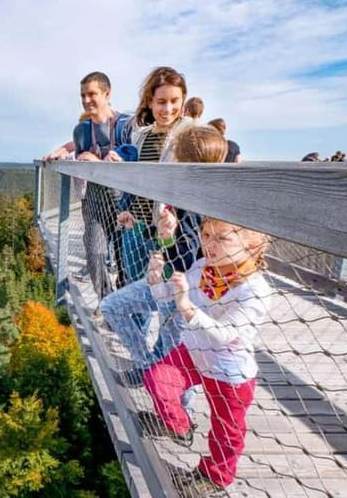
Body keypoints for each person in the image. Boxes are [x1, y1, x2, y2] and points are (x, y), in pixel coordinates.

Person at [141, 217, 272, 494]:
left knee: (226, 431)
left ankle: (215, 477)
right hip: (194, 352)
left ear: (251, 246)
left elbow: (226, 335)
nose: (209, 245)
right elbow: (167, 296)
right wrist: (155, 280)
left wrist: (188, 308)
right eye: (206, 235)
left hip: (229, 371)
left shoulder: (255, 289)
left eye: (222, 238)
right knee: (158, 380)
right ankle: (180, 427)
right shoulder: (203, 267)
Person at [100, 126, 228, 388]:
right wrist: (142, 227)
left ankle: (180, 418)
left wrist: (166, 238)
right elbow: (176, 241)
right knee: (114, 307)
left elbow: (185, 259)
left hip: (184, 291)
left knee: (174, 356)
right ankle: (148, 370)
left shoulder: (194, 203)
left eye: (174, 155)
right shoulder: (189, 196)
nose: (169, 160)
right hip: (170, 283)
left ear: (185, 162)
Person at [44, 72, 132, 297]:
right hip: (94, 198)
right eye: (83, 95)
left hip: (124, 200)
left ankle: (123, 304)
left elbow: (134, 158)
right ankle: (107, 301)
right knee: (95, 254)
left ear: (107, 94)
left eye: (92, 94)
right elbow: (78, 146)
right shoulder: (82, 130)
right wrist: (63, 151)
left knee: (126, 260)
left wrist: (99, 162)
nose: (86, 100)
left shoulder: (125, 126)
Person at [116, 67, 193, 285]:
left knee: (169, 292)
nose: (168, 109)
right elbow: (133, 179)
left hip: (167, 230)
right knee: (134, 286)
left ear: (183, 101)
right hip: (135, 225)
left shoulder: (188, 135)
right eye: (161, 102)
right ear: (150, 102)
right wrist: (125, 208)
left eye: (174, 101)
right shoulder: (140, 135)